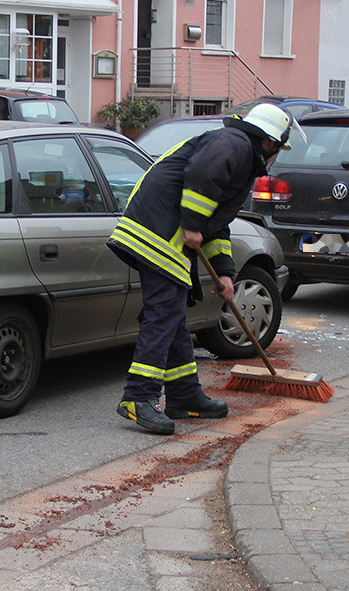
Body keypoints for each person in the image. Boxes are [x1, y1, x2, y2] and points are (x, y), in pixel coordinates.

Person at [107, 104, 293, 434]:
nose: (275, 157)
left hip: (165, 234)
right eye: (278, 149)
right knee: (164, 313)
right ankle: (138, 397)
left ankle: (184, 395)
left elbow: (217, 224)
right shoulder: (233, 143)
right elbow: (201, 176)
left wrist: (225, 273)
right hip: (157, 232)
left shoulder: (240, 157)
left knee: (173, 314)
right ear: (269, 142)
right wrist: (192, 223)